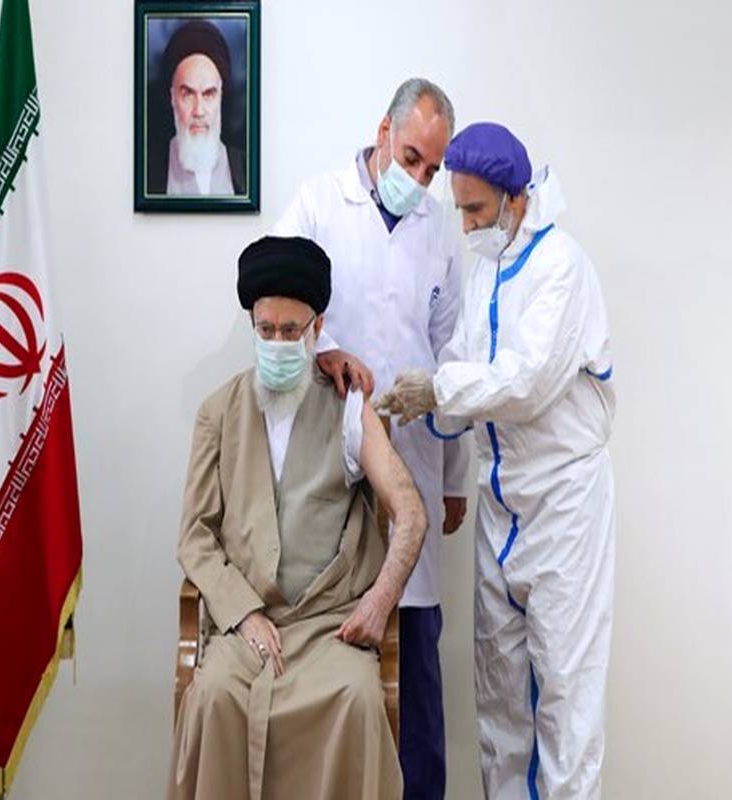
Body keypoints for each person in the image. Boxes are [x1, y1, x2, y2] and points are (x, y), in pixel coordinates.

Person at [376, 122, 616, 799]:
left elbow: (526, 381)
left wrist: (440, 390)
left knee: (566, 700)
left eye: (476, 209)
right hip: (500, 504)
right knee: (501, 697)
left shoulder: (561, 267)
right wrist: (423, 395)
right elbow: (464, 364)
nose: (467, 224)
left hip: (563, 508)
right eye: (459, 208)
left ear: (515, 198)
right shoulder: (488, 268)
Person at [168, 235, 429, 800]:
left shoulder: (349, 408)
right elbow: (195, 536)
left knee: (357, 700)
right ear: (252, 325)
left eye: (292, 331)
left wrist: (379, 601)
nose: (279, 343)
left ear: (318, 328)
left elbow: (410, 511)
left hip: (328, 628)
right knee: (212, 696)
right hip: (244, 626)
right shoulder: (218, 412)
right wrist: (242, 613)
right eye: (266, 330)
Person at [273, 77, 467, 799]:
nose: (419, 179)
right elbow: (271, 304)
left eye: (432, 169)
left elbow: (455, 360)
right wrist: (321, 354)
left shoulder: (441, 232)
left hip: (413, 460)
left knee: (415, 669)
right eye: (411, 157)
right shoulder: (319, 204)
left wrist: (453, 479)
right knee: (335, 661)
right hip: (329, 463)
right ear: (382, 132)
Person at [147, 19, 245, 196]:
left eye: (208, 94)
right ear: (172, 97)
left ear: (221, 96)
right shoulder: (147, 172)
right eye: (188, 94)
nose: (199, 111)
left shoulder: (247, 169)